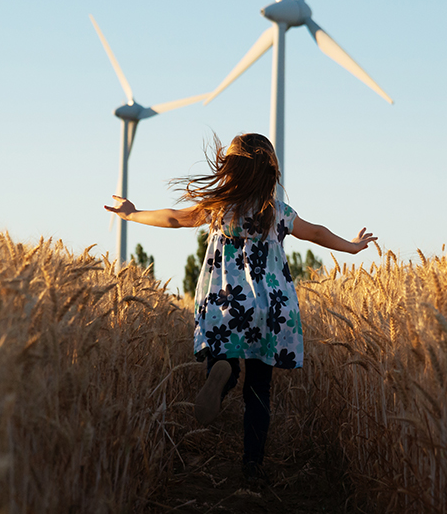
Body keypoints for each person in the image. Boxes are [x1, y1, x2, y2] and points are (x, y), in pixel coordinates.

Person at [104, 133, 376, 481]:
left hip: (226, 303)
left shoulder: (220, 208)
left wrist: (133, 214)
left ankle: (222, 374)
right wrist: (351, 247)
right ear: (270, 172)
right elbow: (317, 233)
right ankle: (252, 464)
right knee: (260, 388)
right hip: (270, 308)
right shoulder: (277, 211)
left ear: (230, 169)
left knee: (225, 357)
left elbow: (176, 218)